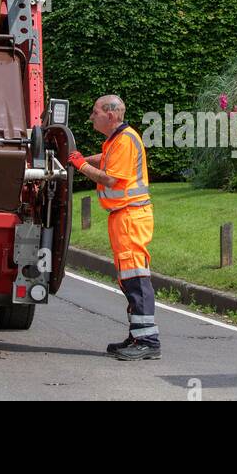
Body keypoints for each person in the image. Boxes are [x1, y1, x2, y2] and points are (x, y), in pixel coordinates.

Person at [67, 95, 160, 360]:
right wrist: (83, 158)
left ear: (110, 115)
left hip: (131, 217)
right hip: (125, 217)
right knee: (128, 278)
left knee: (136, 279)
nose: (91, 117)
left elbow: (110, 178)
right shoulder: (118, 140)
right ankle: (138, 336)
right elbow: (107, 159)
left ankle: (148, 341)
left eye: (95, 112)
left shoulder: (126, 140)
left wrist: (80, 164)